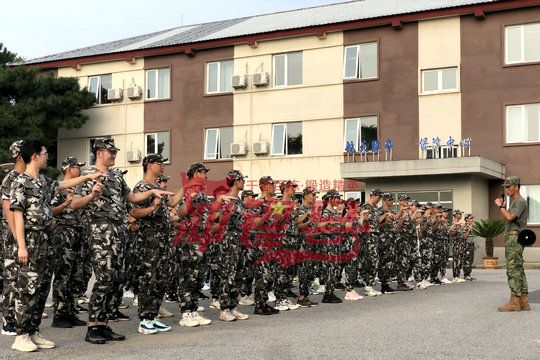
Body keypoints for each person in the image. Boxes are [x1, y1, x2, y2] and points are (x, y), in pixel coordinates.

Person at [76, 138, 173, 344]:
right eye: (110, 151)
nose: (113, 154)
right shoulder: (87, 176)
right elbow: (75, 204)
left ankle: (104, 324)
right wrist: (92, 196)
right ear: (99, 153)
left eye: (114, 151)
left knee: (116, 279)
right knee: (104, 278)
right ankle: (93, 326)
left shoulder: (116, 176)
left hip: (119, 230)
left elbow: (131, 198)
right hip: (100, 230)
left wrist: (152, 192)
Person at [10, 141, 103, 352]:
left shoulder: (42, 180)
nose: (47, 156)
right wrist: (21, 246)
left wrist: (88, 177)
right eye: (44, 153)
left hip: (47, 238)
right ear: (34, 156)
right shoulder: (21, 182)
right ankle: (21, 334)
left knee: (42, 287)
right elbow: (17, 214)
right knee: (29, 288)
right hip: (32, 239)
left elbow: (61, 185)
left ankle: (33, 331)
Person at [131, 154, 184, 334]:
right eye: (159, 163)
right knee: (149, 278)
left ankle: (153, 316)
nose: (162, 166)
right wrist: (153, 207)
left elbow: (173, 202)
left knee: (162, 278)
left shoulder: (156, 187)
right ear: (148, 165)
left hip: (162, 239)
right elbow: (135, 212)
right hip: (149, 239)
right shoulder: (142, 187)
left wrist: (187, 186)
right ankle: (145, 319)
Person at [50, 157, 92, 328]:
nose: (79, 169)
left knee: (76, 276)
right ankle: (59, 315)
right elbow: (51, 211)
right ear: (68, 169)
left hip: (77, 234)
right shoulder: (58, 189)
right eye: (77, 167)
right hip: (63, 234)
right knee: (63, 275)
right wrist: (66, 203)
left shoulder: (76, 189)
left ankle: (70, 311)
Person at [1, 140, 25, 336]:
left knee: (23, 278)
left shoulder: (28, 178)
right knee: (12, 277)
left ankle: (19, 315)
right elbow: (9, 211)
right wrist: (17, 238)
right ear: (20, 157)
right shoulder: (10, 179)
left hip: (24, 235)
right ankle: (8, 319)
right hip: (12, 236)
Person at [495, 176, 530, 312]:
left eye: (509, 186)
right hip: (515, 238)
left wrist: (500, 205)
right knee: (518, 269)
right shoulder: (516, 202)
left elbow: (510, 217)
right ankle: (524, 301)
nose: (507, 189)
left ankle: (514, 302)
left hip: (514, 238)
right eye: (506, 187)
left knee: (513, 269)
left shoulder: (520, 202)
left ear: (516, 186)